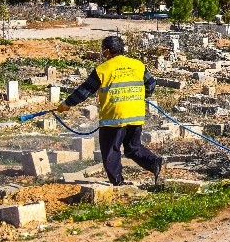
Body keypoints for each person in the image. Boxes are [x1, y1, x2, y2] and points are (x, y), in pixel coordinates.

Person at [55, 35, 164, 186]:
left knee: (110, 151)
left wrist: (66, 104)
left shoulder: (102, 70)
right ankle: (154, 162)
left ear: (107, 51)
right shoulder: (137, 65)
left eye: (102, 50)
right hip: (135, 114)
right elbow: (151, 83)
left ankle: (117, 183)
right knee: (133, 147)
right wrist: (140, 95)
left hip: (114, 118)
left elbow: (84, 92)